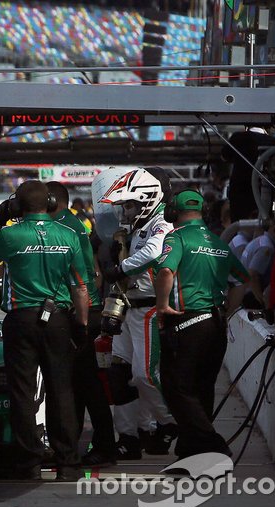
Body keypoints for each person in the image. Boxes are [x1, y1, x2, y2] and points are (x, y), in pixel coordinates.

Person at [0, 180, 90, 481]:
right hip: (59, 319)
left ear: (16, 207)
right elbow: (81, 286)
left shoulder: (10, 234)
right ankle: (68, 463)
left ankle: (28, 463)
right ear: (50, 204)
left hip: (21, 319)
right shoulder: (69, 235)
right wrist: (81, 325)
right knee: (61, 391)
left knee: (23, 393)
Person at [153, 189, 249, 459]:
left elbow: (165, 271)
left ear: (173, 213)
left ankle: (213, 444)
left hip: (188, 322)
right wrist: (228, 308)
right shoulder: (219, 243)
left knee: (176, 387)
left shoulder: (177, 237)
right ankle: (192, 448)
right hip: (216, 323)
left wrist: (161, 305)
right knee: (202, 387)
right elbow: (242, 279)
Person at [97, 167, 177, 460]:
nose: (125, 211)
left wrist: (120, 267)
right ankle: (129, 436)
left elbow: (155, 252)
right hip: (128, 307)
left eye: (129, 204)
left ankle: (171, 422)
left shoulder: (161, 224)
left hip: (149, 310)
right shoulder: (133, 229)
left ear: (147, 200)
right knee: (118, 375)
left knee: (145, 376)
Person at [47, 181, 116, 467]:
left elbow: (83, 277)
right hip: (86, 307)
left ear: (51, 201)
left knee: (85, 384)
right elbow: (94, 274)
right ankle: (74, 445)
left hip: (79, 310)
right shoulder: (75, 225)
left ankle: (102, 445)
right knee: (79, 383)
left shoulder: (63, 227)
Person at [240, 213, 275, 309]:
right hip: (250, 297)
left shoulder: (260, 241)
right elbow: (252, 276)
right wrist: (263, 302)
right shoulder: (267, 247)